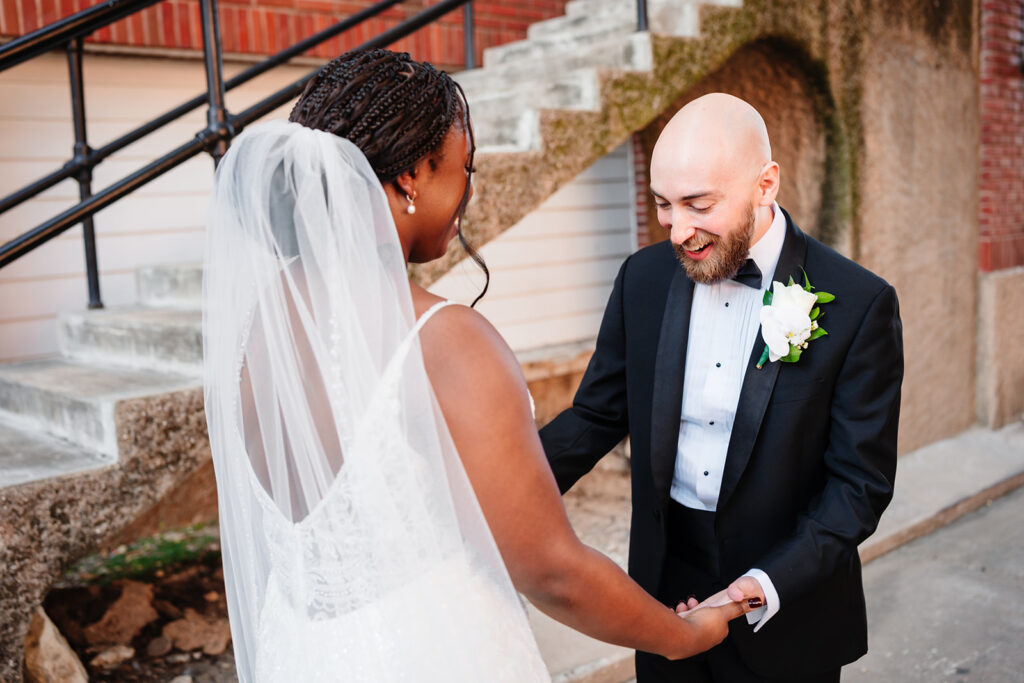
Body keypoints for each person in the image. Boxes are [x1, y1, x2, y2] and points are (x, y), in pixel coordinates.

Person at [202, 50, 751, 682]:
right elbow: (550, 570)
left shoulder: (258, 324)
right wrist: (681, 635)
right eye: (464, 169)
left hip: (303, 653)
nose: (470, 189)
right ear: (411, 176)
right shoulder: (445, 340)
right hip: (431, 653)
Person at [539, 92, 904, 683]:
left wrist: (749, 592)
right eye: (662, 204)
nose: (678, 230)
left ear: (766, 185)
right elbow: (595, 416)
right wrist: (499, 496)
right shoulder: (642, 278)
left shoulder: (861, 303)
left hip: (786, 598)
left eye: (698, 204)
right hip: (661, 588)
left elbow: (857, 487)